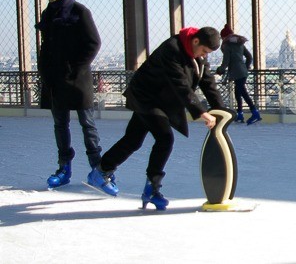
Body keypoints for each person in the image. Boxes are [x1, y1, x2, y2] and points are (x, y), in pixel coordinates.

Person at [87, 26, 224, 209]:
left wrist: (220, 109)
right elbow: (180, 84)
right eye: (204, 51)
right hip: (146, 98)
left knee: (133, 139)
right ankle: (151, 189)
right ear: (196, 41)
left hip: (160, 100)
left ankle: (101, 171)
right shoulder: (172, 48)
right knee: (165, 138)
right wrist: (201, 112)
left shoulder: (198, 56)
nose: (205, 56)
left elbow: (207, 82)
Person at [35, 0, 103, 189]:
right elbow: (46, 46)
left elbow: (94, 42)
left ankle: (98, 169)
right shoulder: (48, 14)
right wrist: (44, 69)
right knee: (60, 124)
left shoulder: (79, 11)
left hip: (77, 79)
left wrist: (75, 67)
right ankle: (64, 168)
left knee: (87, 124)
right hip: (55, 80)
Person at [216, 24, 261, 125]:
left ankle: (255, 113)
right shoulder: (240, 43)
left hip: (236, 72)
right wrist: (246, 66)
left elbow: (226, 61)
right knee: (238, 92)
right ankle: (240, 114)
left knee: (243, 92)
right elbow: (249, 57)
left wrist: (220, 70)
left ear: (224, 36)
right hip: (243, 72)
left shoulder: (227, 46)